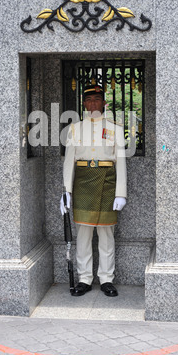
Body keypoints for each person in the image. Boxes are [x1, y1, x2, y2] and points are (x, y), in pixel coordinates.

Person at [60, 84, 127, 297]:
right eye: (89, 100)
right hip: (82, 183)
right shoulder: (74, 129)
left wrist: (121, 193)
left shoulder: (115, 128)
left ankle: (107, 279)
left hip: (107, 182)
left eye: (97, 100)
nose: (93, 104)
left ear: (104, 103)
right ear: (84, 104)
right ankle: (84, 279)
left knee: (107, 234)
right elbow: (69, 161)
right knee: (83, 234)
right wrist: (67, 191)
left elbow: (121, 163)